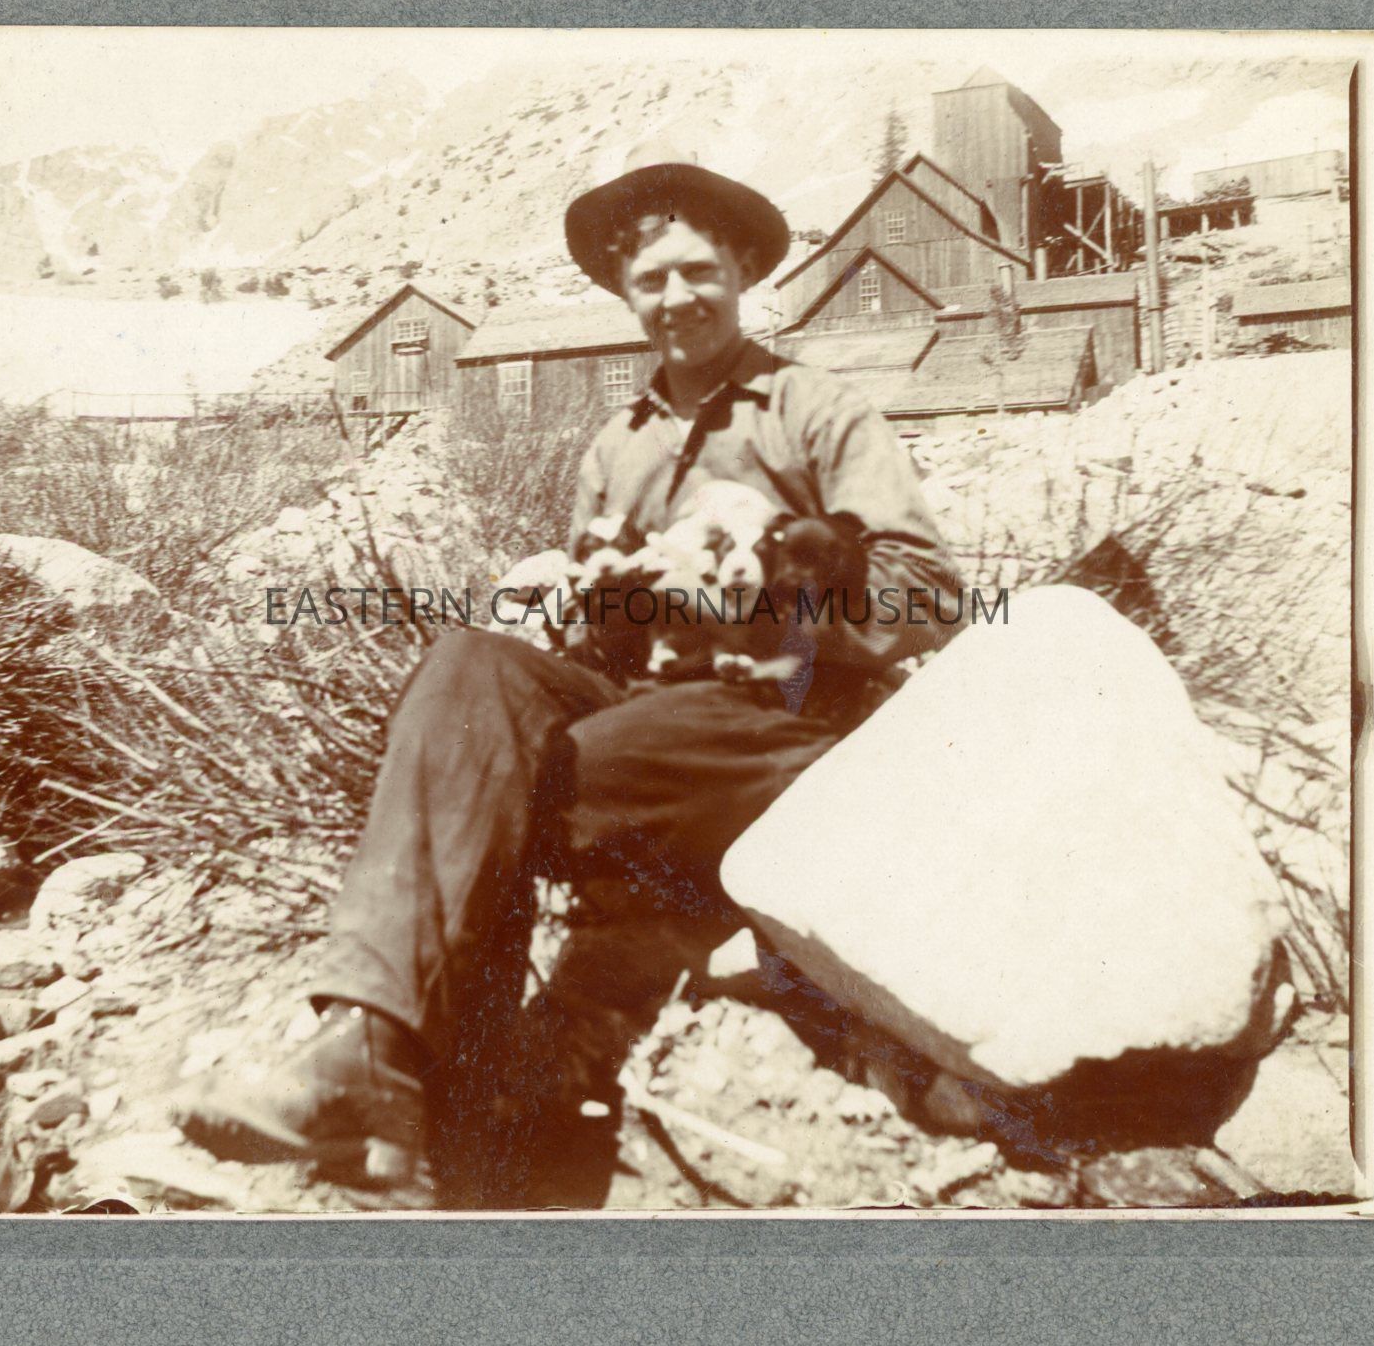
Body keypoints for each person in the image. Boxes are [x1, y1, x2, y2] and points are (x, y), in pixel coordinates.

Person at [175, 146, 964, 1204]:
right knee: (468, 671)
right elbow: (611, 647)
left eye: (699, 271)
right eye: (651, 279)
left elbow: (927, 595)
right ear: (623, 292)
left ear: (742, 271)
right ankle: (368, 1050)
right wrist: (598, 599)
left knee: (488, 794)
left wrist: (775, 567)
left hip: (780, 714)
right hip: (653, 722)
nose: (677, 298)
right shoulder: (615, 448)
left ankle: (421, 1109)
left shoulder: (815, 410)